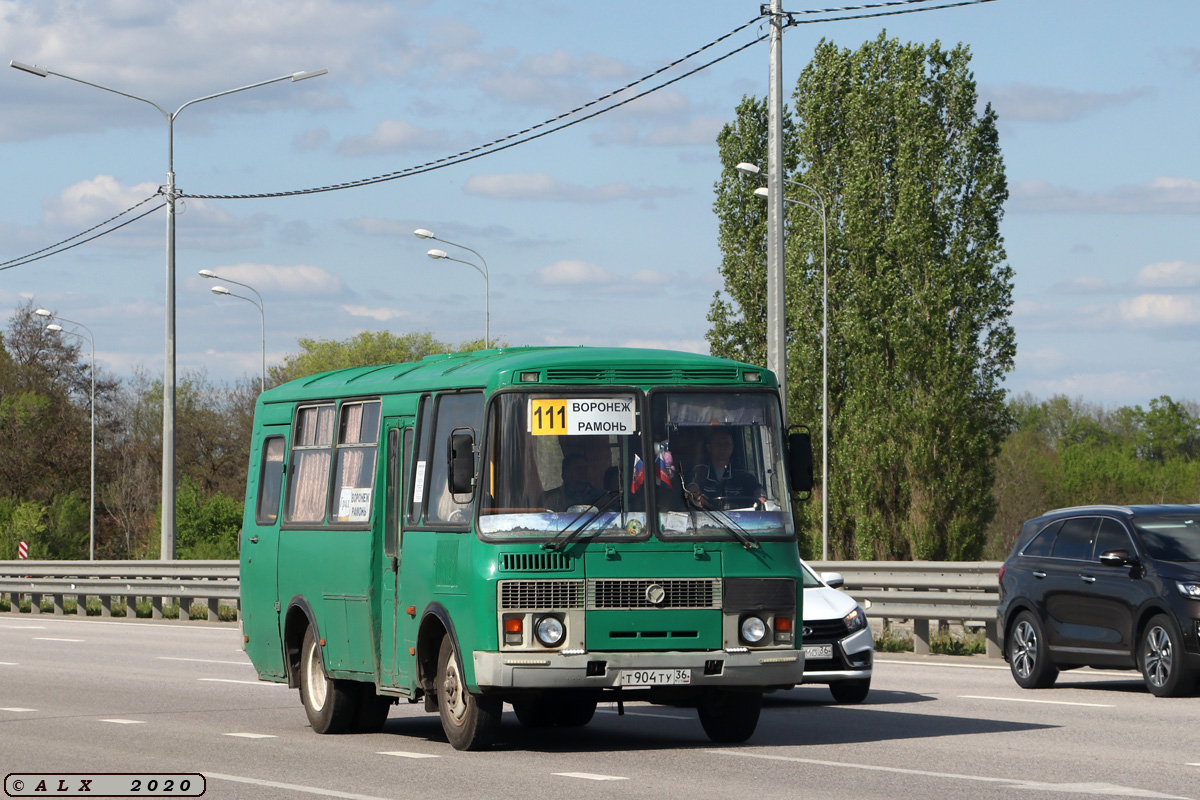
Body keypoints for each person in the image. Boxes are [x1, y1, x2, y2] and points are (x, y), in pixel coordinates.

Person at [685, 427, 766, 510]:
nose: (722, 447)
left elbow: (756, 488)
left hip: (737, 520)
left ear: (732, 447)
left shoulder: (741, 473)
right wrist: (696, 494)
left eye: (726, 443)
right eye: (718, 444)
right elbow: (692, 485)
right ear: (709, 447)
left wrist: (760, 496)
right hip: (705, 518)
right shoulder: (700, 470)